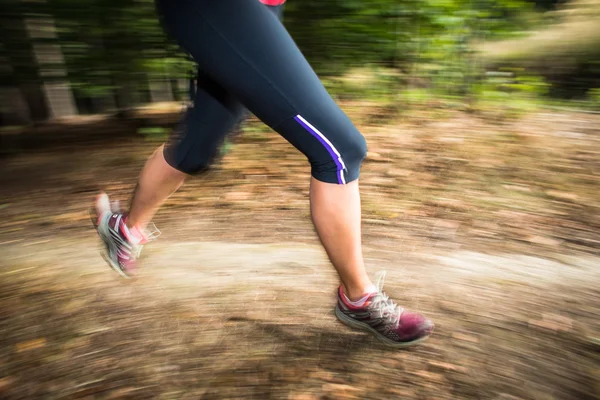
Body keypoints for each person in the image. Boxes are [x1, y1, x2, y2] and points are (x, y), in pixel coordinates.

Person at [93, 0, 434, 348]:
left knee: (196, 150)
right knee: (340, 149)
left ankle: (124, 229)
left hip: (261, 8)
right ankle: (358, 298)